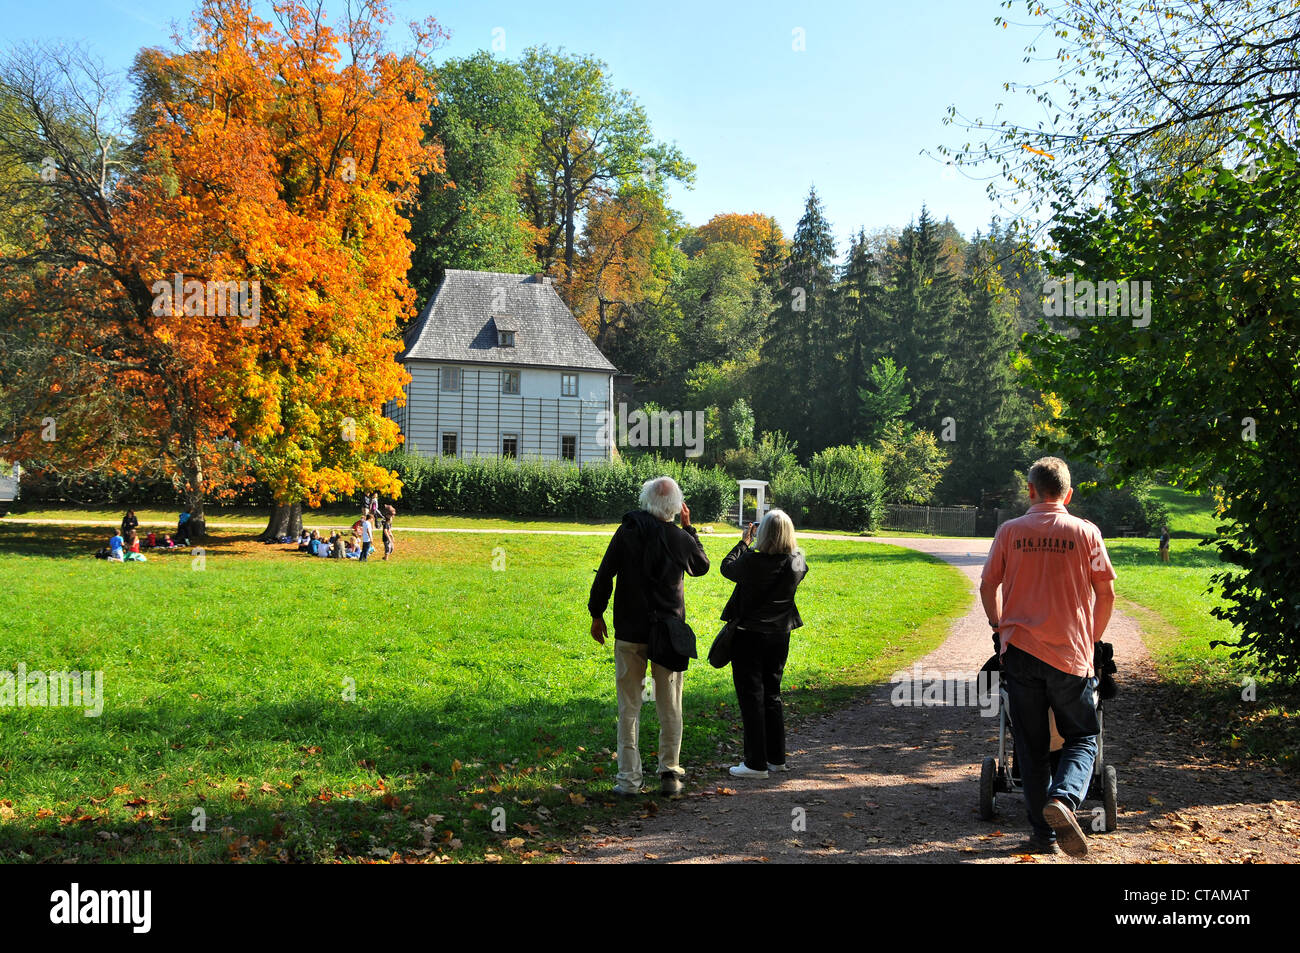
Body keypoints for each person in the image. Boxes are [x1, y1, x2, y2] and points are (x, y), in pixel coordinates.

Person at [979, 456, 1116, 858]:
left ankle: (1044, 836)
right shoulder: (1086, 533)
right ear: (1068, 494)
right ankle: (1066, 798)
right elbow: (1106, 593)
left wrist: (998, 626)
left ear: (1031, 491)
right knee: (1082, 736)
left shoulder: (1009, 532)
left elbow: (988, 585)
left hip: (1020, 651)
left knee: (1031, 746)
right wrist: (1090, 639)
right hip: (1070, 653)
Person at [588, 476, 710, 797]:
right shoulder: (679, 538)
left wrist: (596, 613)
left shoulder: (628, 531)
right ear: (676, 506)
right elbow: (701, 566)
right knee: (670, 704)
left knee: (629, 706)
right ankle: (670, 773)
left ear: (646, 501)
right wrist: (689, 528)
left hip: (630, 630)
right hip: (668, 632)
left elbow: (605, 572)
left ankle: (628, 780)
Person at [720, 509, 808, 779]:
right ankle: (776, 758)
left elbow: (726, 567)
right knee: (772, 694)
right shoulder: (797, 562)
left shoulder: (750, 562)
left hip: (749, 634)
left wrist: (744, 542)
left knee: (751, 697)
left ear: (763, 532)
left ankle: (755, 763)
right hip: (779, 635)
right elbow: (798, 566)